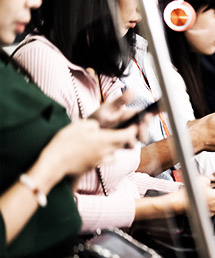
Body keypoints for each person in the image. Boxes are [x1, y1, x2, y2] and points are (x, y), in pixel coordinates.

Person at [12, 0, 215, 257]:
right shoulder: (48, 61)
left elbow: (119, 174)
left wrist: (198, 193)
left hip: (142, 224)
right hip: (119, 238)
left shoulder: (109, 67)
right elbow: (69, 198)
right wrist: (176, 200)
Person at [0, 0, 147, 257]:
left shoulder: (8, 69)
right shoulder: (39, 58)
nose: (35, 2)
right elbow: (64, 200)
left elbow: (65, 200)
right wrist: (54, 164)